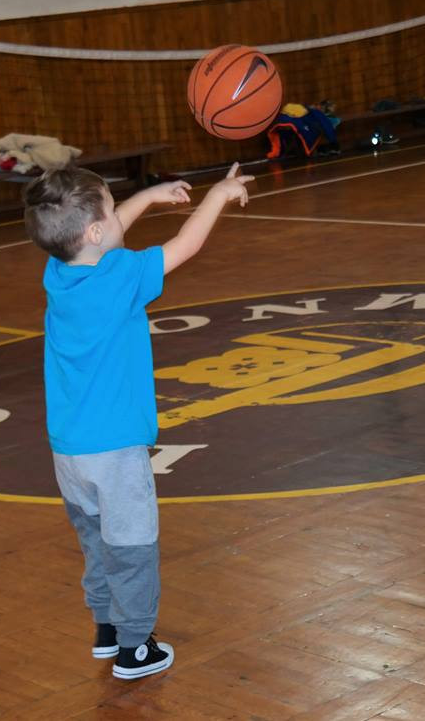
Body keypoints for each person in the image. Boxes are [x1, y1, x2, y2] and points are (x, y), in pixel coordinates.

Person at [23, 162, 253, 679]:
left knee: (96, 539)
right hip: (116, 450)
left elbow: (102, 231)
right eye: (112, 208)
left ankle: (107, 627)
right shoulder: (121, 276)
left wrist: (149, 197)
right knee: (131, 547)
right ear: (95, 232)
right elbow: (184, 246)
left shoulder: (58, 273)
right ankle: (135, 648)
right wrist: (218, 194)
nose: (118, 215)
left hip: (70, 451)